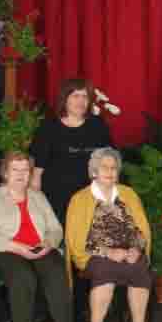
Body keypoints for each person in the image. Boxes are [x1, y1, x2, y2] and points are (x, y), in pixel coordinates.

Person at [0, 151, 83, 322]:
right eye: (15, 169)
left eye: (25, 169)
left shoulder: (38, 197)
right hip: (5, 251)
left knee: (56, 270)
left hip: (38, 249)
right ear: (5, 173)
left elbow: (55, 228)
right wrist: (16, 247)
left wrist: (48, 243)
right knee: (22, 275)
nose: (20, 174)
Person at [65, 148, 152, 322]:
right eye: (104, 167)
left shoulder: (128, 194)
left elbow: (141, 228)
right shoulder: (80, 199)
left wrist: (136, 249)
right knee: (105, 271)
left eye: (114, 168)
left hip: (127, 250)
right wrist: (107, 252)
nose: (110, 171)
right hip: (96, 255)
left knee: (139, 269)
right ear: (94, 171)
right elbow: (75, 239)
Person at [29, 78, 113, 224]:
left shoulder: (97, 124)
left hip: (91, 191)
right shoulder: (49, 126)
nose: (80, 101)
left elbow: (110, 157)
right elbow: (38, 168)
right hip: (57, 193)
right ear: (64, 99)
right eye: (75, 96)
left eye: (85, 96)